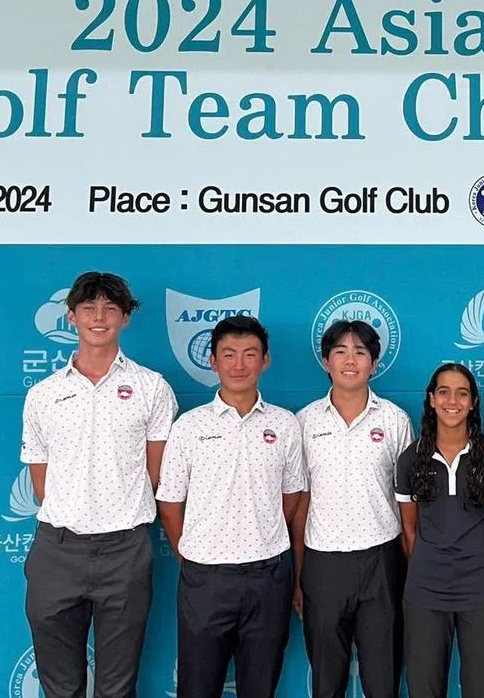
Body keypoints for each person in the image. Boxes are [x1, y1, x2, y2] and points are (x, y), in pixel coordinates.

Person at [20, 271, 178, 698]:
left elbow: (154, 473)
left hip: (125, 552)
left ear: (126, 318)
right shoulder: (43, 395)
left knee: (116, 687)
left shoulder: (151, 388)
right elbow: (41, 483)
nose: (99, 316)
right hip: (57, 551)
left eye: (110, 308)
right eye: (88, 307)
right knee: (61, 687)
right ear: (71, 317)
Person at [156, 315, 305, 698]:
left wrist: (261, 535)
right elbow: (170, 505)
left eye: (250, 354)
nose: (239, 364)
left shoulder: (285, 425)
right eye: (229, 354)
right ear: (213, 361)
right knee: (198, 687)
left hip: (268, 577)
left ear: (265, 361)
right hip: (205, 580)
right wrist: (192, 554)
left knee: (260, 686)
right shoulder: (188, 427)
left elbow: (291, 498)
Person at [292, 320, 414, 698]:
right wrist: (298, 574)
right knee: (327, 680)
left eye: (360, 352)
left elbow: (409, 503)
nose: (350, 360)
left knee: (383, 677)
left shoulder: (394, 419)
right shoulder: (303, 422)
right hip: (323, 563)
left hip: (382, 559)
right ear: (326, 361)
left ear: (373, 364)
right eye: (340, 352)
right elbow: (299, 503)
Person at [394, 363, 484, 698]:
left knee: (480, 688)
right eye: (444, 392)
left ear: (474, 402)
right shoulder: (410, 459)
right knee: (424, 688)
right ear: (431, 399)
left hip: (482, 591)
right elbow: (410, 531)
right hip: (425, 592)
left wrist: (476, 563)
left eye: (462, 393)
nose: (452, 400)